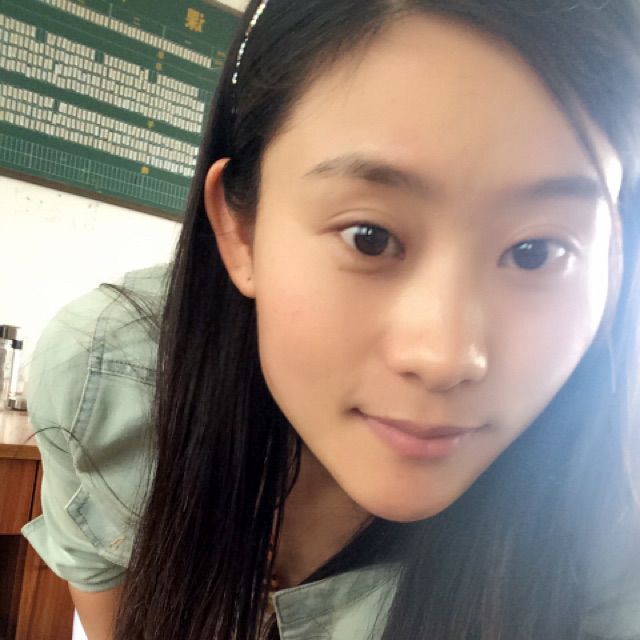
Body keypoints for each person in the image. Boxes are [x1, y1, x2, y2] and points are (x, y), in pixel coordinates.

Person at [22, 1, 640, 638]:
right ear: (240, 229)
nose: (447, 357)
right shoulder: (110, 386)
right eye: (370, 237)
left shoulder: (613, 535)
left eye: (537, 252)